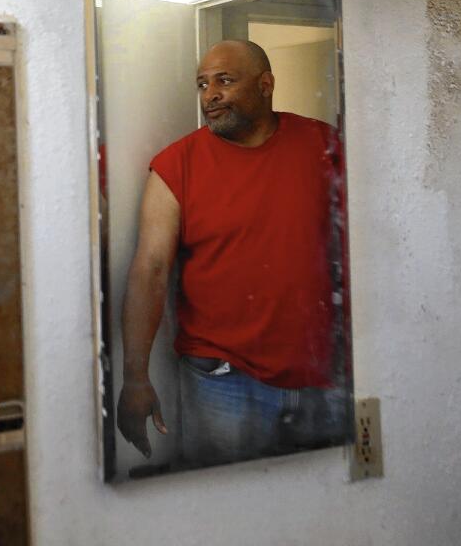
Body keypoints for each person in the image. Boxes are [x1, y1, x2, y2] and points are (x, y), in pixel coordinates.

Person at [116, 39, 348, 468]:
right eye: (202, 85)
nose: (210, 95)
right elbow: (149, 271)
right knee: (225, 511)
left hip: (321, 372)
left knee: (324, 501)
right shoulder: (175, 165)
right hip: (224, 380)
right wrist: (135, 378)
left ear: (266, 84)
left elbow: (363, 246)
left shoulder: (323, 145)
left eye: (224, 80)